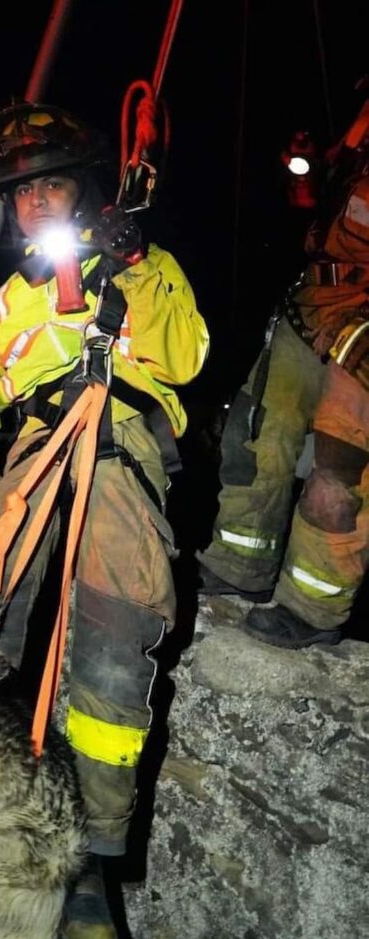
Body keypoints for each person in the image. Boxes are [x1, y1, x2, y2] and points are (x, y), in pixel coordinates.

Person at [0, 102, 209, 939]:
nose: (38, 203)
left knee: (116, 644)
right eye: (21, 193)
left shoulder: (139, 269)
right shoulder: (9, 301)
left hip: (117, 455)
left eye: (51, 184)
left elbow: (187, 356)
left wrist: (137, 261)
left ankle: (89, 864)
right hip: (36, 457)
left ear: (79, 188)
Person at [197, 94, 369, 648]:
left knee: (339, 476)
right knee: (254, 434)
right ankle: (238, 568)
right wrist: (305, 168)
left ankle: (313, 610)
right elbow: (312, 203)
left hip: (363, 326)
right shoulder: (362, 125)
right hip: (313, 303)